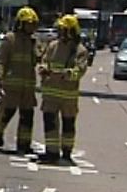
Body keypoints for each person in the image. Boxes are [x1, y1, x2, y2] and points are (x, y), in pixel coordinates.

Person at [37, 14, 89, 164]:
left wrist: (69, 74)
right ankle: (51, 152)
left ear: (72, 31)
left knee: (68, 125)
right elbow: (44, 61)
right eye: (60, 29)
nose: (61, 32)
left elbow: (80, 70)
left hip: (68, 97)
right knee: (50, 124)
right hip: (50, 95)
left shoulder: (80, 50)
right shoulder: (52, 46)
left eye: (64, 29)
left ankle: (66, 152)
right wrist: (43, 68)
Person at [0, 6, 40, 154]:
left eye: (33, 24)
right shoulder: (10, 39)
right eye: (29, 24)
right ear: (20, 23)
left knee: (27, 116)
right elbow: (1, 61)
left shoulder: (33, 42)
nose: (32, 27)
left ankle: (24, 144)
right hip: (12, 86)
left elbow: (37, 59)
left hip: (28, 87)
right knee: (7, 113)